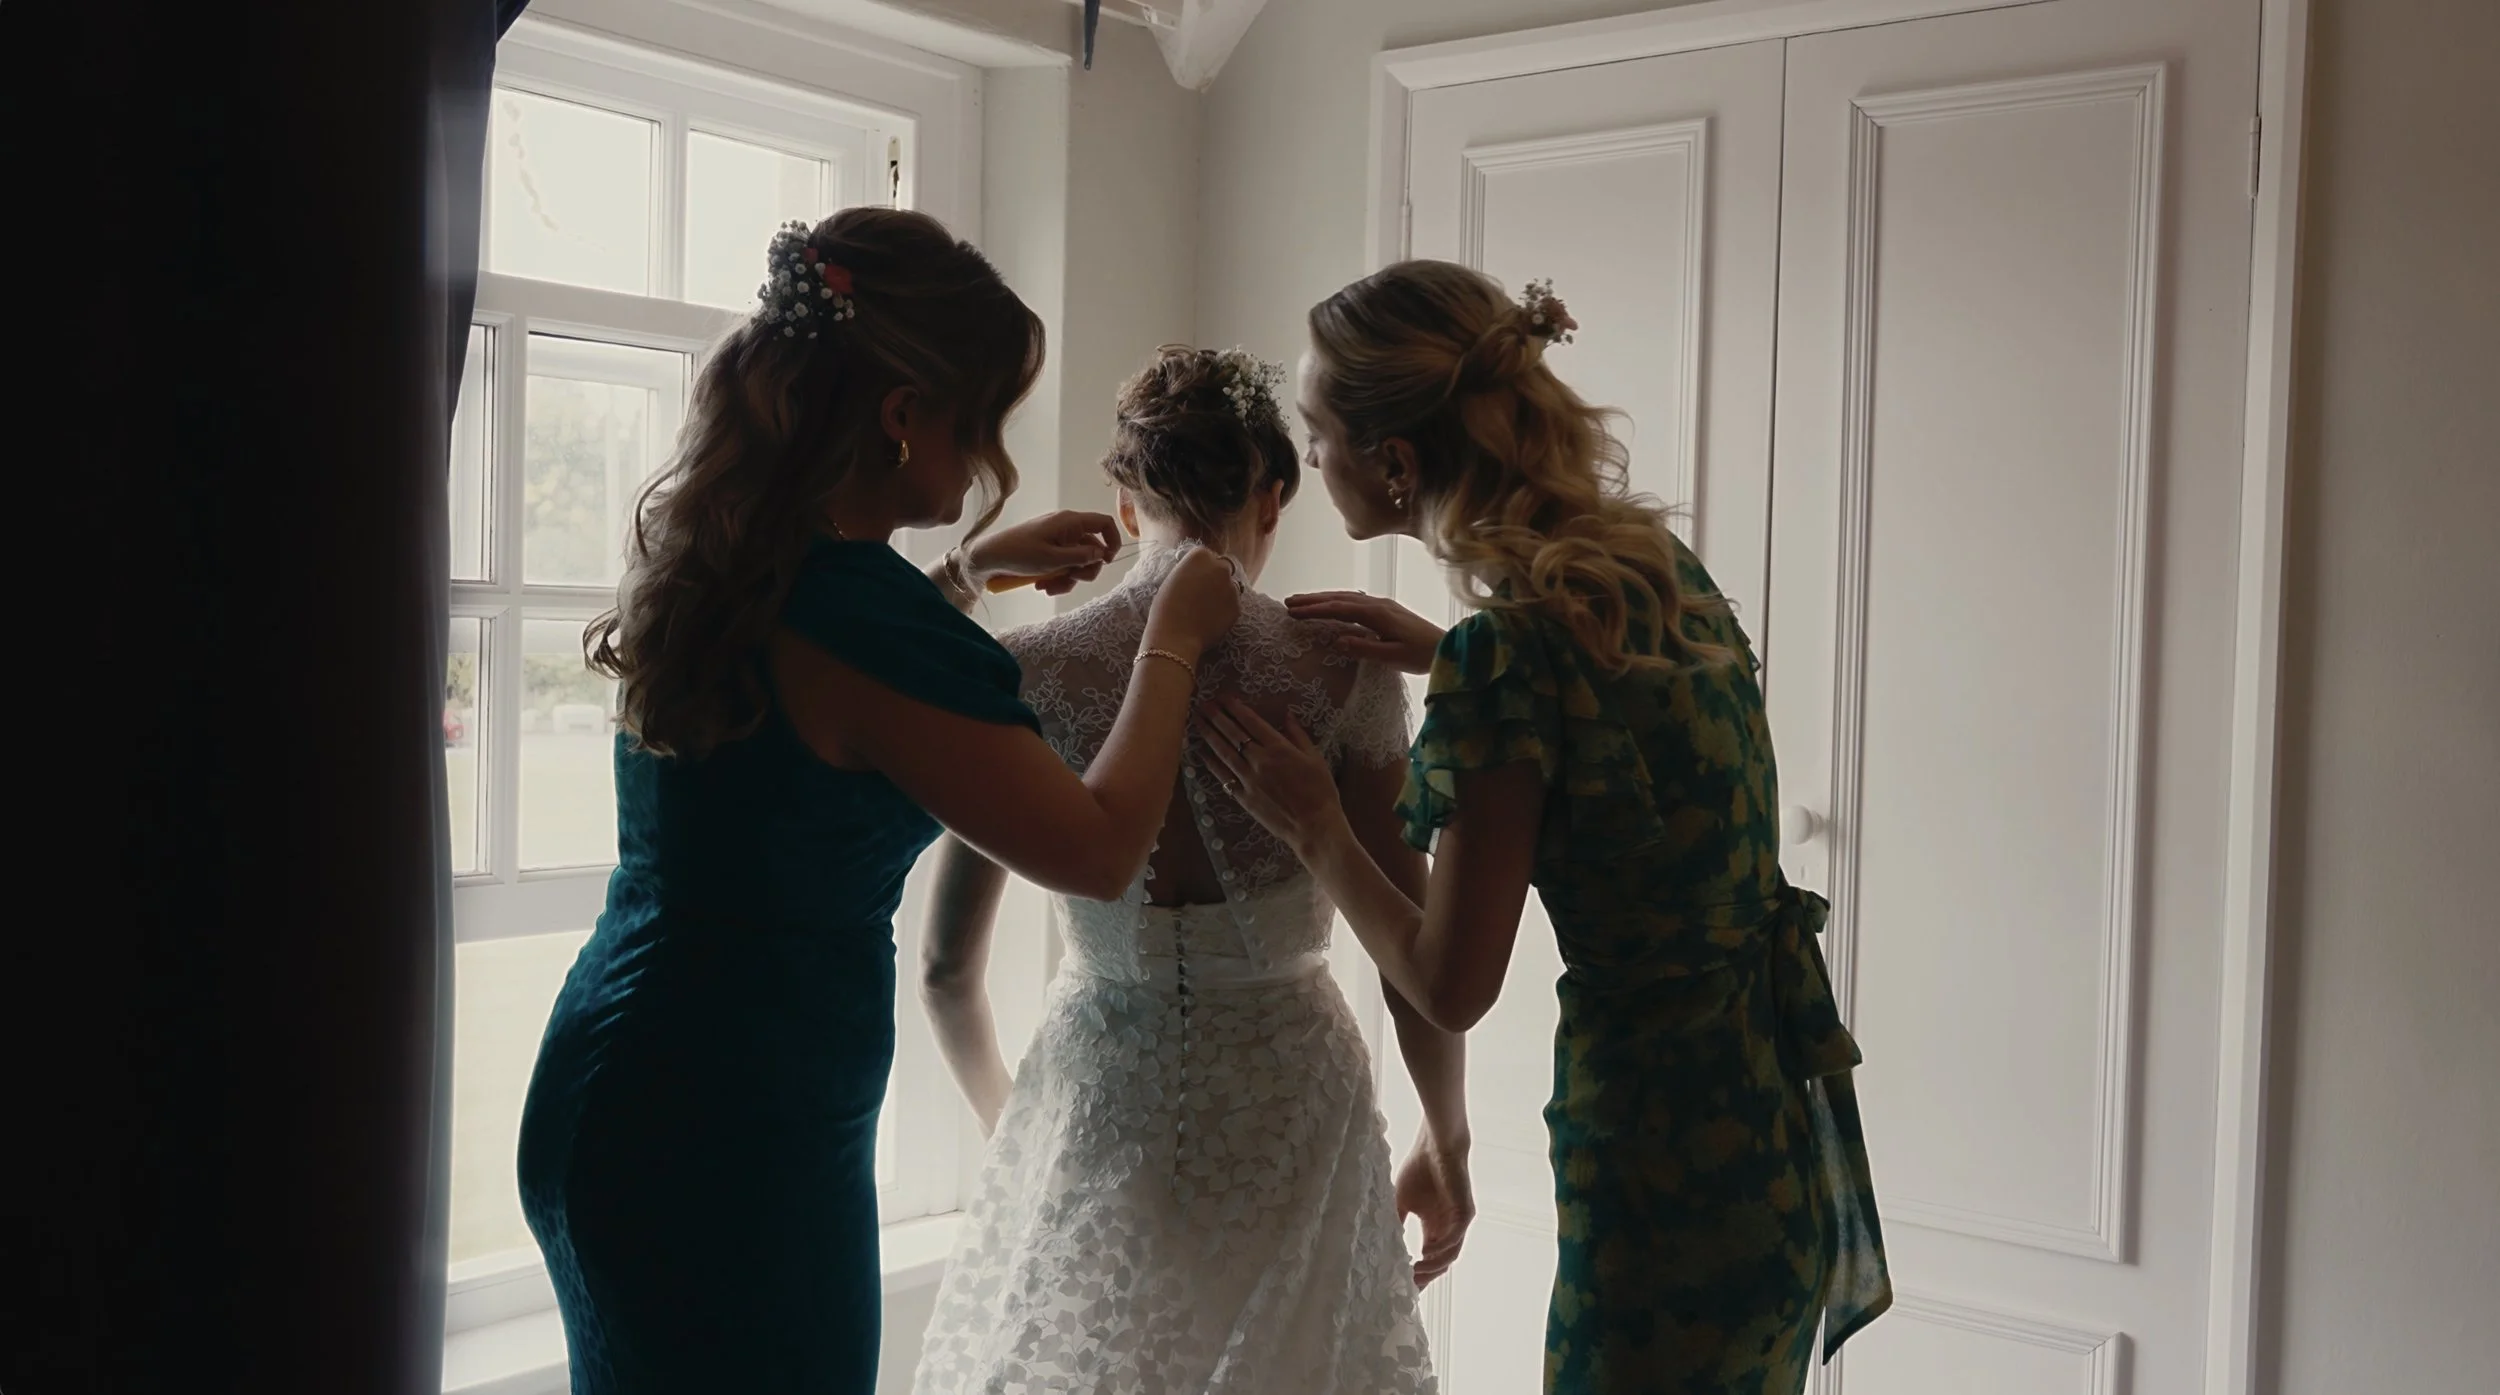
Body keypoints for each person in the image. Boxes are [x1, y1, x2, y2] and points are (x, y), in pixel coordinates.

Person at [515, 209, 1240, 1395]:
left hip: (624, 1070)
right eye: (981, 421)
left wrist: (961, 578)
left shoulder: (733, 556)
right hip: (733, 1133)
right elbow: (1102, 847)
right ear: (904, 417)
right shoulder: (857, 620)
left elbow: (817, 736)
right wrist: (1175, 633)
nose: (984, 455)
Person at [1198, 263, 1892, 1395]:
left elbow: (1448, 982)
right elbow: (1621, 734)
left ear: (1397, 462)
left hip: (1659, 1163)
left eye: (1318, 434)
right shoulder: (1647, 564)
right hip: (1768, 1131)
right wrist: (1447, 656)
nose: (1309, 459)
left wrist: (1316, 823)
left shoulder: (1510, 649)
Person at [910, 345, 1465, 1395]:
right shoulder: (1342, 667)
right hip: (1292, 1111)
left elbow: (944, 973)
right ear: (1275, 494)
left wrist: (1014, 1140)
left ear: (1125, 507)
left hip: (1096, 1101)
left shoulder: (1030, 668)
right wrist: (1450, 1140)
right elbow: (1413, 955)